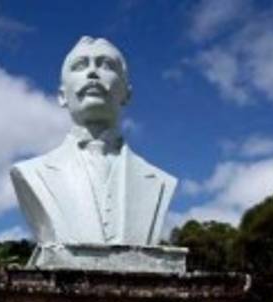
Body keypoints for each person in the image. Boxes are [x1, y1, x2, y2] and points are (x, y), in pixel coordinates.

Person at [10, 36, 177, 246]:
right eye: (80, 66)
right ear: (62, 96)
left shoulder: (160, 181)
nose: (92, 72)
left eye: (106, 65)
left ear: (127, 94)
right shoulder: (32, 172)